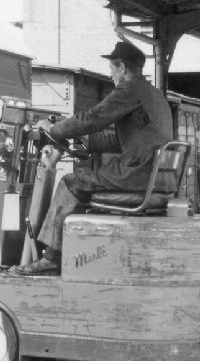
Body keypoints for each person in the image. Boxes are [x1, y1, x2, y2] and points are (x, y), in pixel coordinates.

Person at [12, 40, 174, 275]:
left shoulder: (129, 90)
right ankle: (73, 253)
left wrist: (53, 129)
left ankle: (52, 258)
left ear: (121, 67)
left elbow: (92, 117)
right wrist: (89, 143)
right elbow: (124, 140)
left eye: (112, 69)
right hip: (155, 178)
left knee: (71, 183)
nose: (111, 75)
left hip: (137, 176)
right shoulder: (154, 95)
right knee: (84, 181)